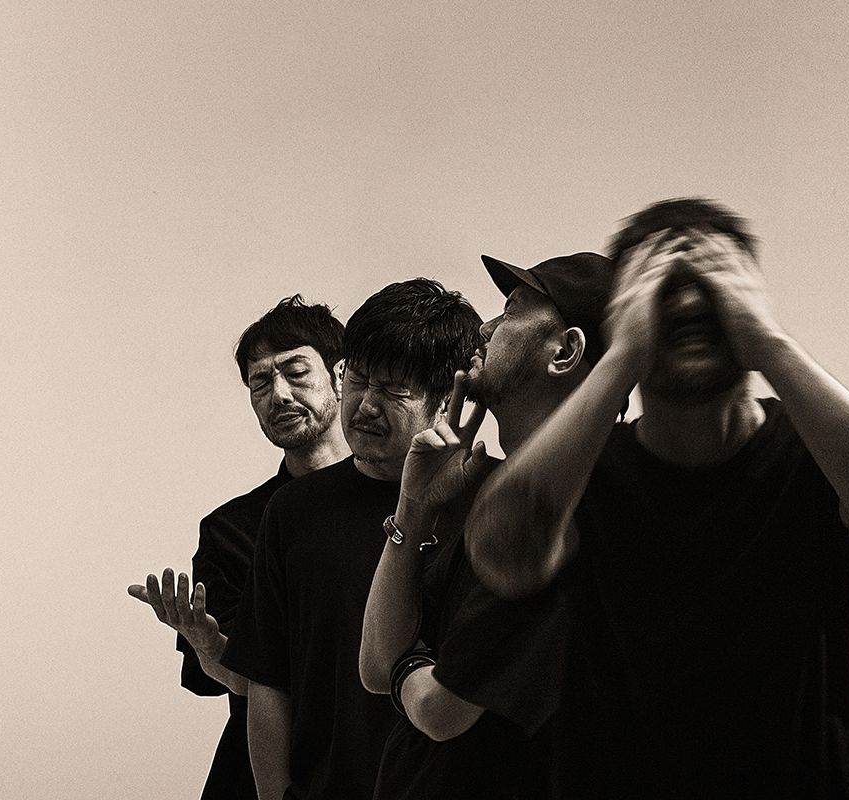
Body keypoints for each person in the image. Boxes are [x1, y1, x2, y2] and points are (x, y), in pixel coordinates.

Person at [467, 198, 849, 798]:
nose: (686, 305)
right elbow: (504, 555)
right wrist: (622, 354)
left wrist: (768, 341)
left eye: (712, 289)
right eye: (662, 293)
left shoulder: (816, 451)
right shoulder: (585, 473)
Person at [359, 253, 615, 798]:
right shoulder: (492, 488)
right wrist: (413, 507)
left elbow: (440, 710)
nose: (486, 327)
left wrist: (407, 667)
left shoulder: (570, 507)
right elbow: (373, 665)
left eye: (512, 310)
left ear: (565, 352)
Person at [220, 279, 484, 800]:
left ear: (445, 398)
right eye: (359, 380)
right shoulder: (293, 510)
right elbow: (269, 681)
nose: (365, 405)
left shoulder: (491, 499)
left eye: (393, 390)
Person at [128, 295, 351, 799]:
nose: (279, 395)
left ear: (340, 375)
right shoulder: (231, 529)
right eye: (260, 383)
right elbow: (240, 680)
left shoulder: (402, 501)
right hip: (260, 776)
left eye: (296, 372)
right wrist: (210, 649)